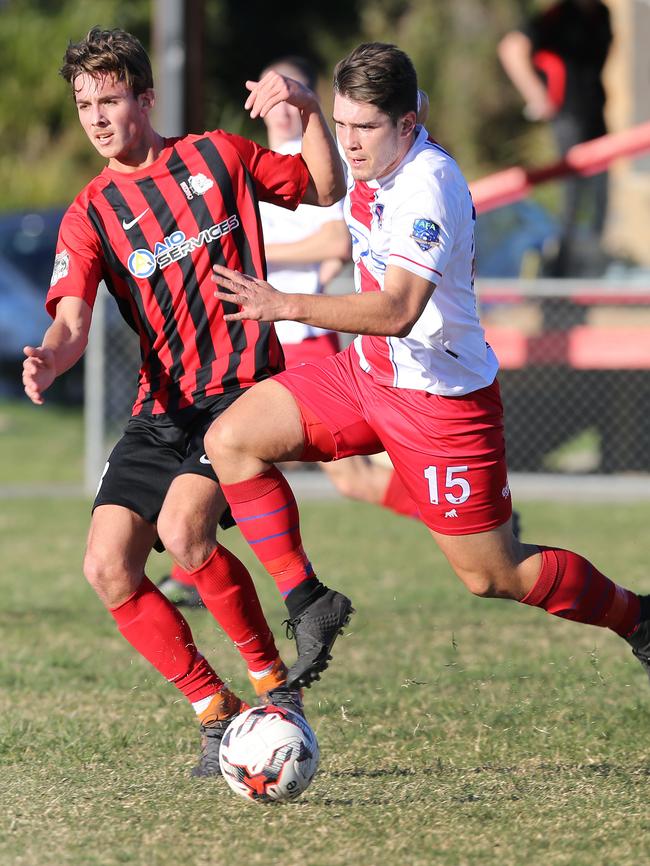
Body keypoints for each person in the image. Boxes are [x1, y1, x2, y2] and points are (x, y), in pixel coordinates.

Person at [202, 42, 650, 696]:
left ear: (408, 124)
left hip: (440, 402)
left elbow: (398, 310)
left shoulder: (427, 185)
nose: (350, 143)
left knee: (492, 576)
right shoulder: (376, 151)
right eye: (341, 123)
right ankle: (309, 602)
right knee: (231, 440)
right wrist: (309, 119)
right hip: (365, 374)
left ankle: (638, 616)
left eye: (364, 128)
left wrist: (284, 304)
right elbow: (328, 185)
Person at [21, 27, 348, 778]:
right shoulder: (91, 211)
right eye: (84, 105)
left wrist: (309, 110)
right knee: (107, 567)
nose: (97, 117)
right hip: (162, 409)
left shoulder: (217, 156)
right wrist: (50, 356)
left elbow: (323, 188)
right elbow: (71, 321)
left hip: (241, 397)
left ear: (145, 96)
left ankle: (276, 690)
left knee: (185, 526)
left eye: (110, 99)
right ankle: (215, 709)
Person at [158, 55, 425, 609]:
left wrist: (247, 253)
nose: (277, 107)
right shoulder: (249, 167)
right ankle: (195, 561)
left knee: (344, 477)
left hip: (303, 336)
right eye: (267, 93)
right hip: (264, 335)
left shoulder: (324, 161)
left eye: (288, 94)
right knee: (226, 444)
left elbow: (334, 244)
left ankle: (453, 516)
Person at [497, 0, 612, 276]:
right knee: (572, 207)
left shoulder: (601, 14)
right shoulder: (559, 16)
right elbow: (512, 48)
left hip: (596, 119)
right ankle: (561, 286)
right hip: (568, 120)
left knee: (599, 207)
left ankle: (587, 282)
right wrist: (538, 96)